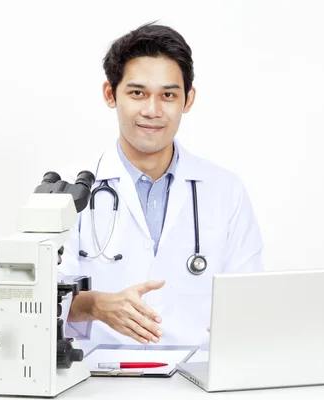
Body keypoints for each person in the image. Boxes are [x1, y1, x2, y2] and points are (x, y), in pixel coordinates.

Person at [58, 21, 264, 354]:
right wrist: (96, 304)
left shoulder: (225, 190)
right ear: (110, 94)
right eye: (137, 93)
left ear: (188, 99)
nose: (153, 111)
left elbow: (250, 298)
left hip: (198, 377)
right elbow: (37, 299)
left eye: (168, 95)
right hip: (98, 379)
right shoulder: (68, 191)